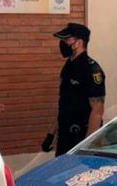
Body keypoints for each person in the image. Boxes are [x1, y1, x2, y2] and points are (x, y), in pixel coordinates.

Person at [42, 23, 106, 156]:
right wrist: (51, 133)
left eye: (66, 40)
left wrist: (87, 145)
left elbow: (97, 111)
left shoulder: (92, 70)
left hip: (81, 136)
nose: (62, 43)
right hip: (65, 134)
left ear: (79, 42)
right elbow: (63, 103)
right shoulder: (68, 67)